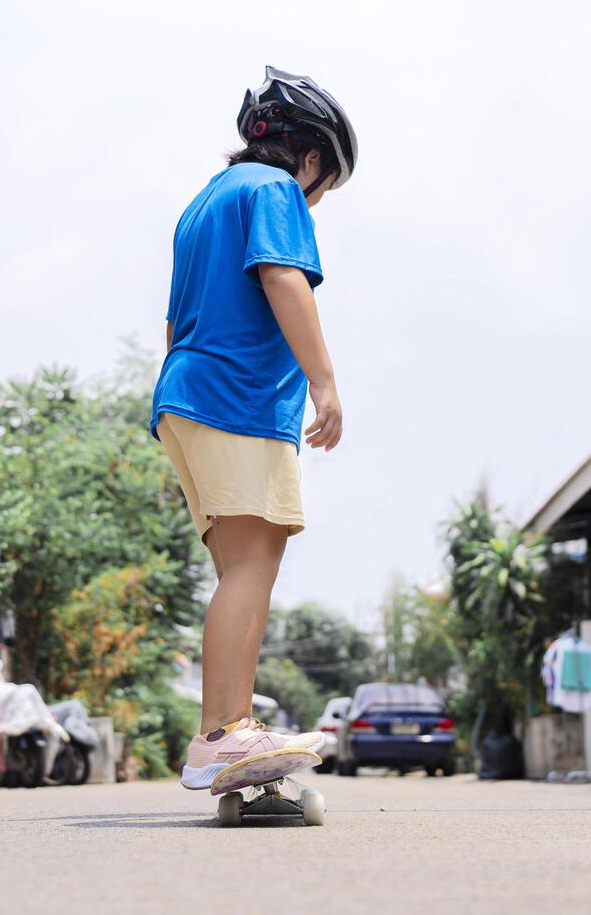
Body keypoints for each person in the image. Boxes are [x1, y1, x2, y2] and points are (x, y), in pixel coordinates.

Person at [150, 67, 358, 792]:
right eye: (323, 184)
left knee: (246, 563)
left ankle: (231, 729)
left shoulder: (204, 202)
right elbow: (281, 276)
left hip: (188, 394)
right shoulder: (273, 192)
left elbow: (174, 321)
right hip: (234, 399)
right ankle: (221, 735)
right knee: (249, 566)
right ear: (307, 158)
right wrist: (324, 381)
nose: (316, 201)